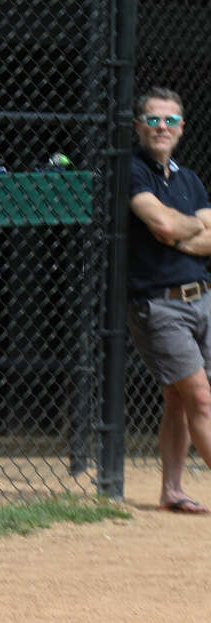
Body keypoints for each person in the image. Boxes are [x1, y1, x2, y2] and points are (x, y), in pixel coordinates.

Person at [126, 86, 211, 514]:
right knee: (199, 397)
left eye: (170, 120)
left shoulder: (189, 179)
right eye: (154, 120)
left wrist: (180, 232)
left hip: (203, 300)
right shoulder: (131, 171)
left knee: (179, 400)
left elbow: (206, 235)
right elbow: (159, 221)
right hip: (158, 305)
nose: (162, 127)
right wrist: (185, 227)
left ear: (181, 128)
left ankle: (172, 490)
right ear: (139, 125)